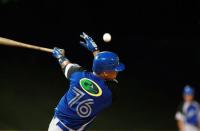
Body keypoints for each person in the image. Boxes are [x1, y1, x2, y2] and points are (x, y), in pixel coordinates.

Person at [48, 32, 125, 131]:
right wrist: (95, 50)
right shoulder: (111, 92)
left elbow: (65, 65)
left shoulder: (77, 76)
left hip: (57, 126)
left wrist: (59, 56)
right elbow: (102, 75)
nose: (117, 72)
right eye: (114, 69)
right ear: (105, 73)